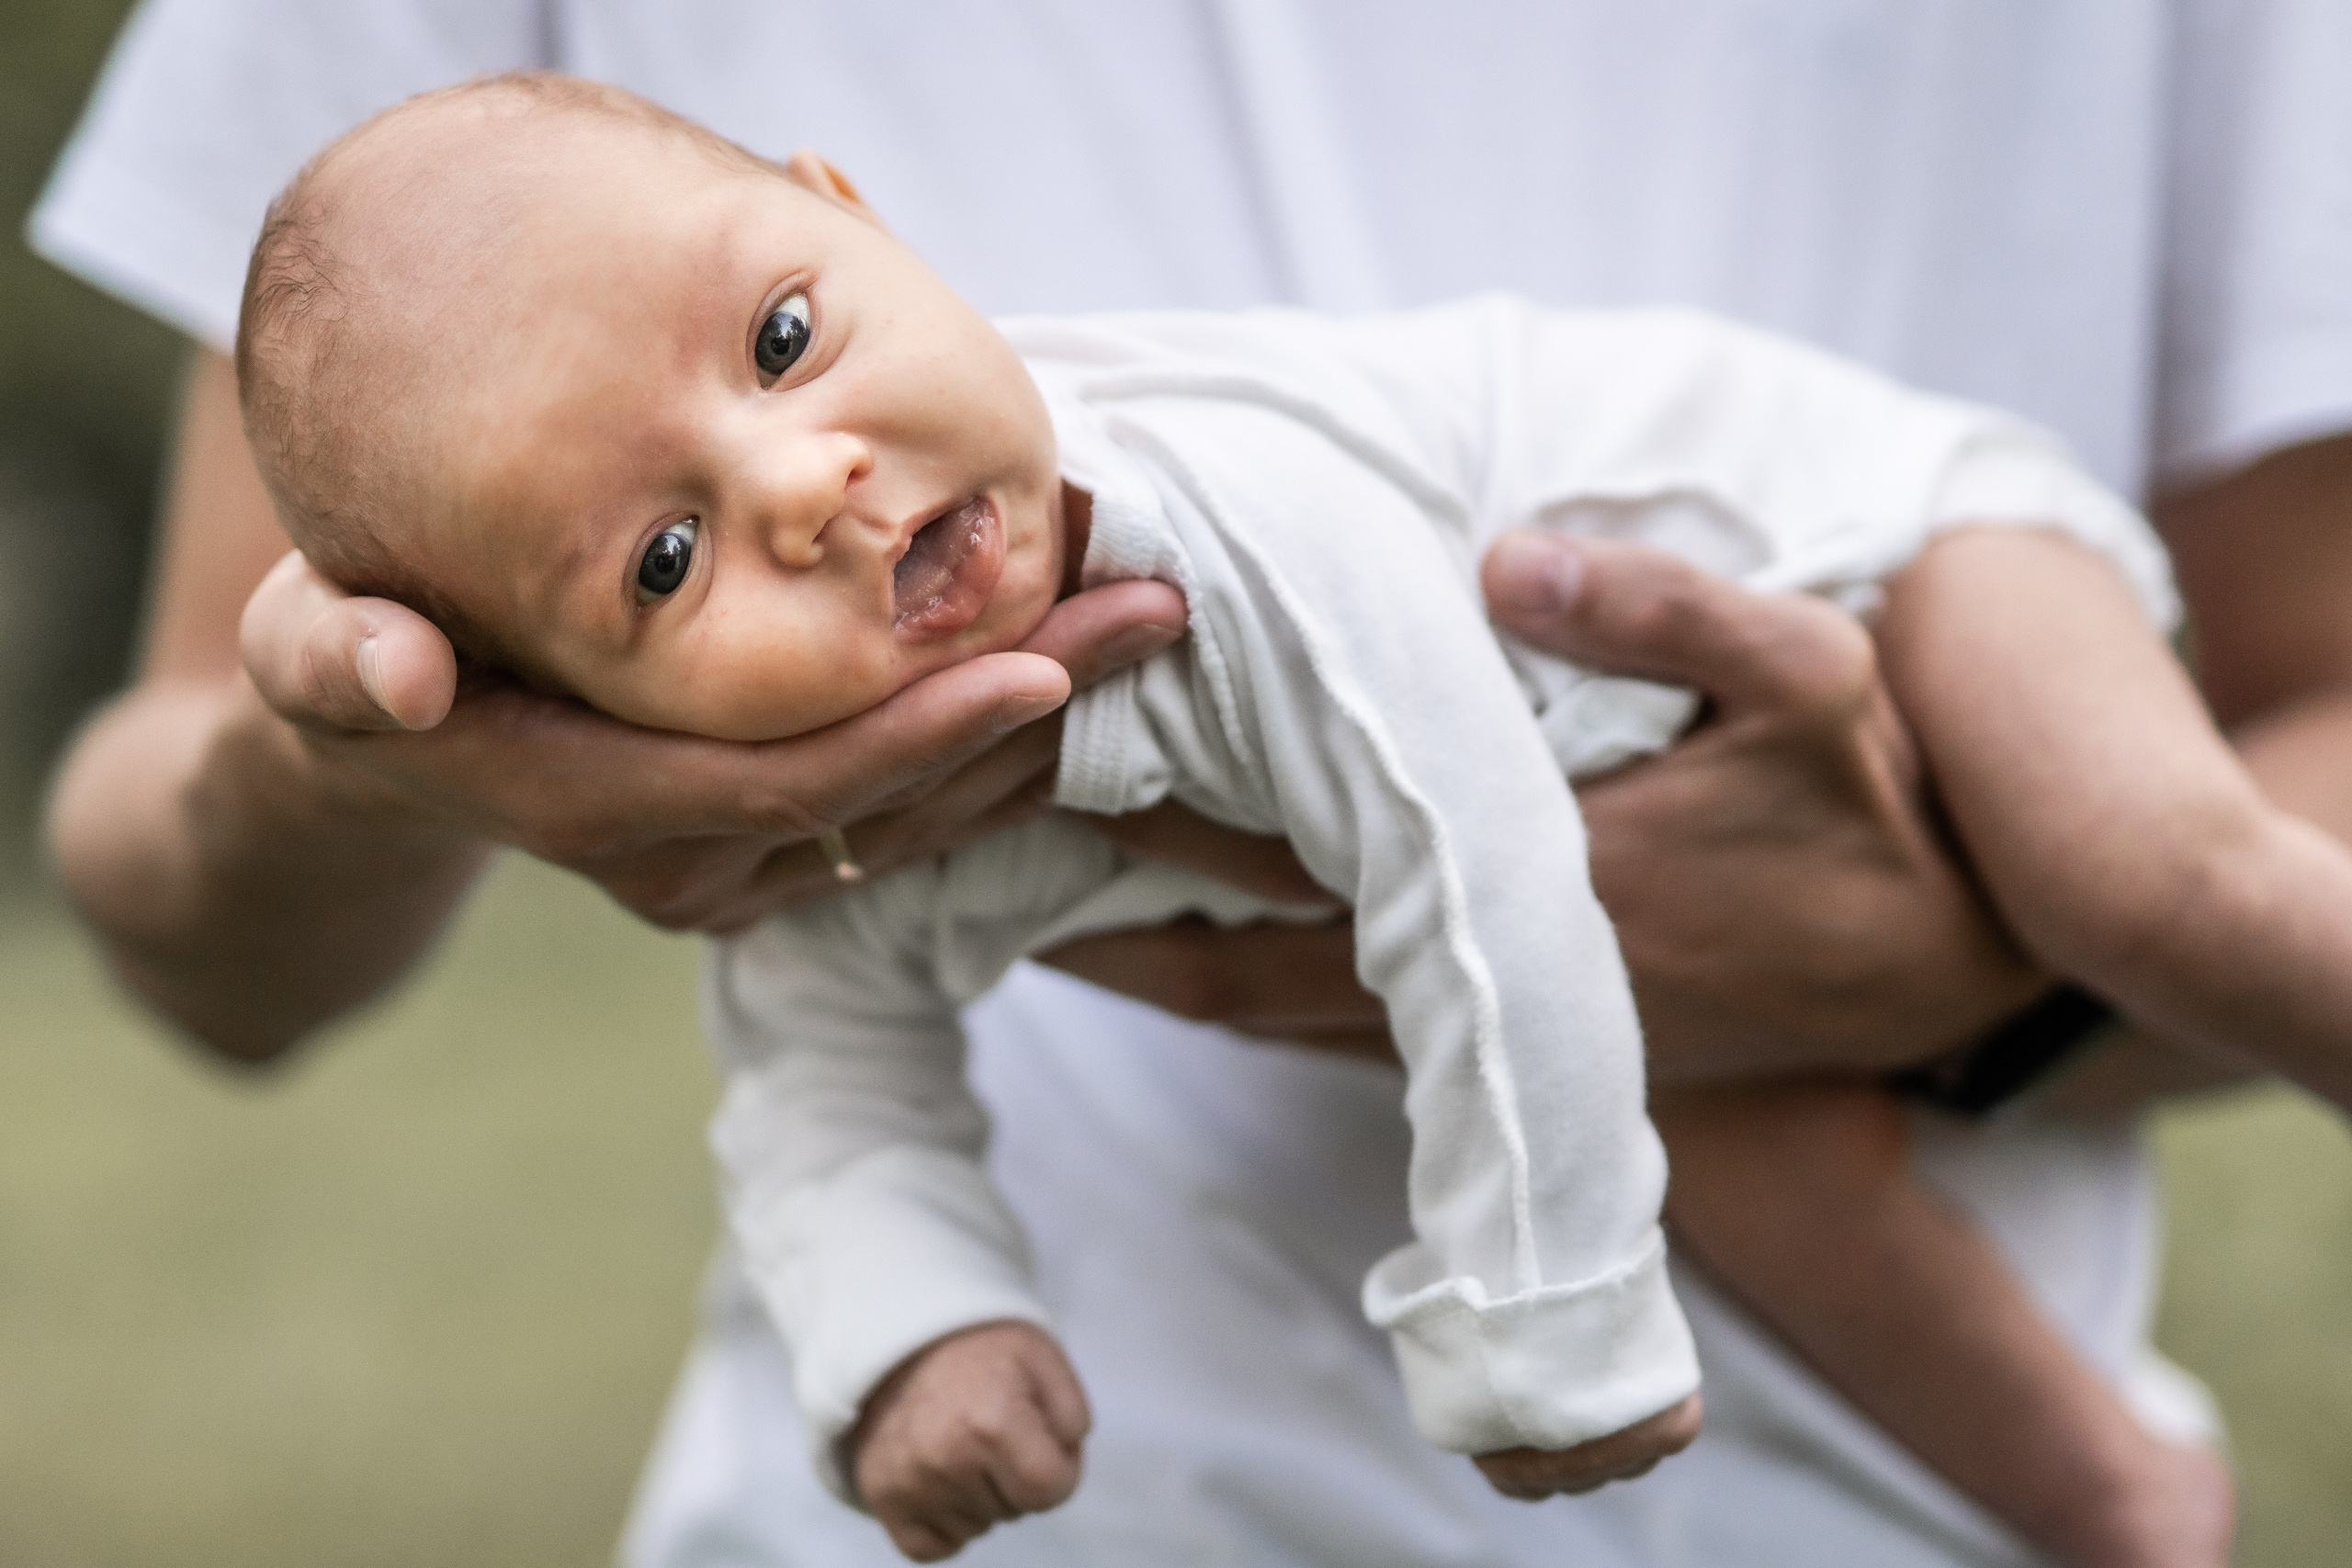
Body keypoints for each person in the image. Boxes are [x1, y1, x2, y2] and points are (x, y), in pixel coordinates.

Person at [28, 3, 2352, 1564]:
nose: (810, 482)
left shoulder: (1223, 520)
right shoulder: (818, 809)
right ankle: (2117, 1494)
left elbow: (1475, 866)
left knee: (2147, 866)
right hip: (1592, 967)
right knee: (1740, 1130)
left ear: (860, 215)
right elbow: (821, 1087)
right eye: (658, 557)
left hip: (1894, 549)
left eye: (779, 340)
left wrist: (1537, 1306)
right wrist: (908, 1344)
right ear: (564, 693)